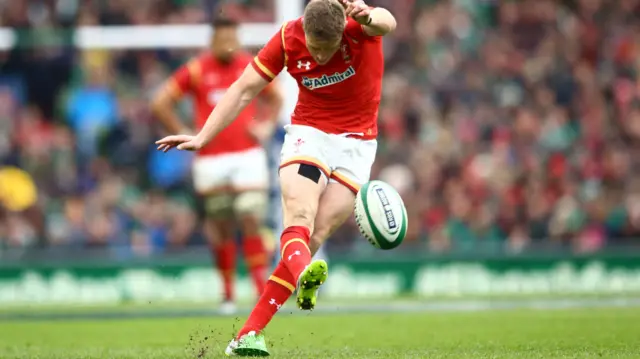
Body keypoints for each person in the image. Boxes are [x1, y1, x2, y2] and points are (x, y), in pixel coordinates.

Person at [156, 0, 396, 355]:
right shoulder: (288, 38)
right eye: (313, 46)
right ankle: (303, 274)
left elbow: (386, 22)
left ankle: (246, 335)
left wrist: (370, 13)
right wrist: (203, 136)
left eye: (325, 49)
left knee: (316, 234)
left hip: (358, 146)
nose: (318, 55)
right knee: (299, 215)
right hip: (309, 134)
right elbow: (243, 89)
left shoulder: (358, 28)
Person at [151, 17, 283, 315]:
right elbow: (160, 102)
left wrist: (264, 126)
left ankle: (260, 290)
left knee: (250, 216)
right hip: (211, 160)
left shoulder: (249, 65)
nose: (228, 44)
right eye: (223, 38)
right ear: (212, 40)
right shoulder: (198, 69)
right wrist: (185, 130)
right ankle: (227, 295)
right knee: (221, 227)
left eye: (232, 37)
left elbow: (276, 98)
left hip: (247, 156)